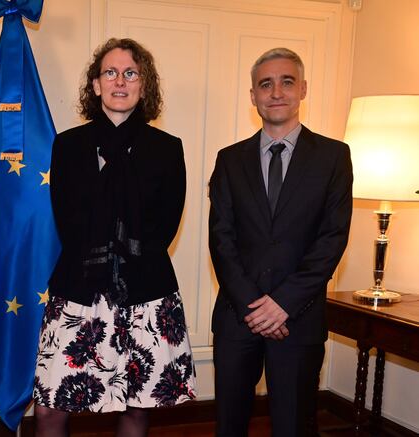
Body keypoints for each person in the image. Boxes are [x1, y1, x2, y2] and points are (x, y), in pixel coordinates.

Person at [33, 38, 196, 437]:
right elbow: (67, 220)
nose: (119, 81)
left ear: (144, 85)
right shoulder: (69, 145)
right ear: (95, 85)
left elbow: (165, 226)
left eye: (130, 73)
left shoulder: (167, 148)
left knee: (137, 407)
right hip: (78, 289)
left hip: (145, 292)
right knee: (50, 408)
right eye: (110, 72)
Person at [208, 47, 353, 436]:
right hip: (239, 318)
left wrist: (283, 305)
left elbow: (332, 239)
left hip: (299, 320)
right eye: (265, 84)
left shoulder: (334, 157)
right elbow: (221, 240)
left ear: (303, 89)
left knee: (293, 426)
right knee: (229, 426)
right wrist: (256, 308)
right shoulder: (229, 160)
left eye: (287, 82)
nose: (276, 92)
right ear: (253, 95)